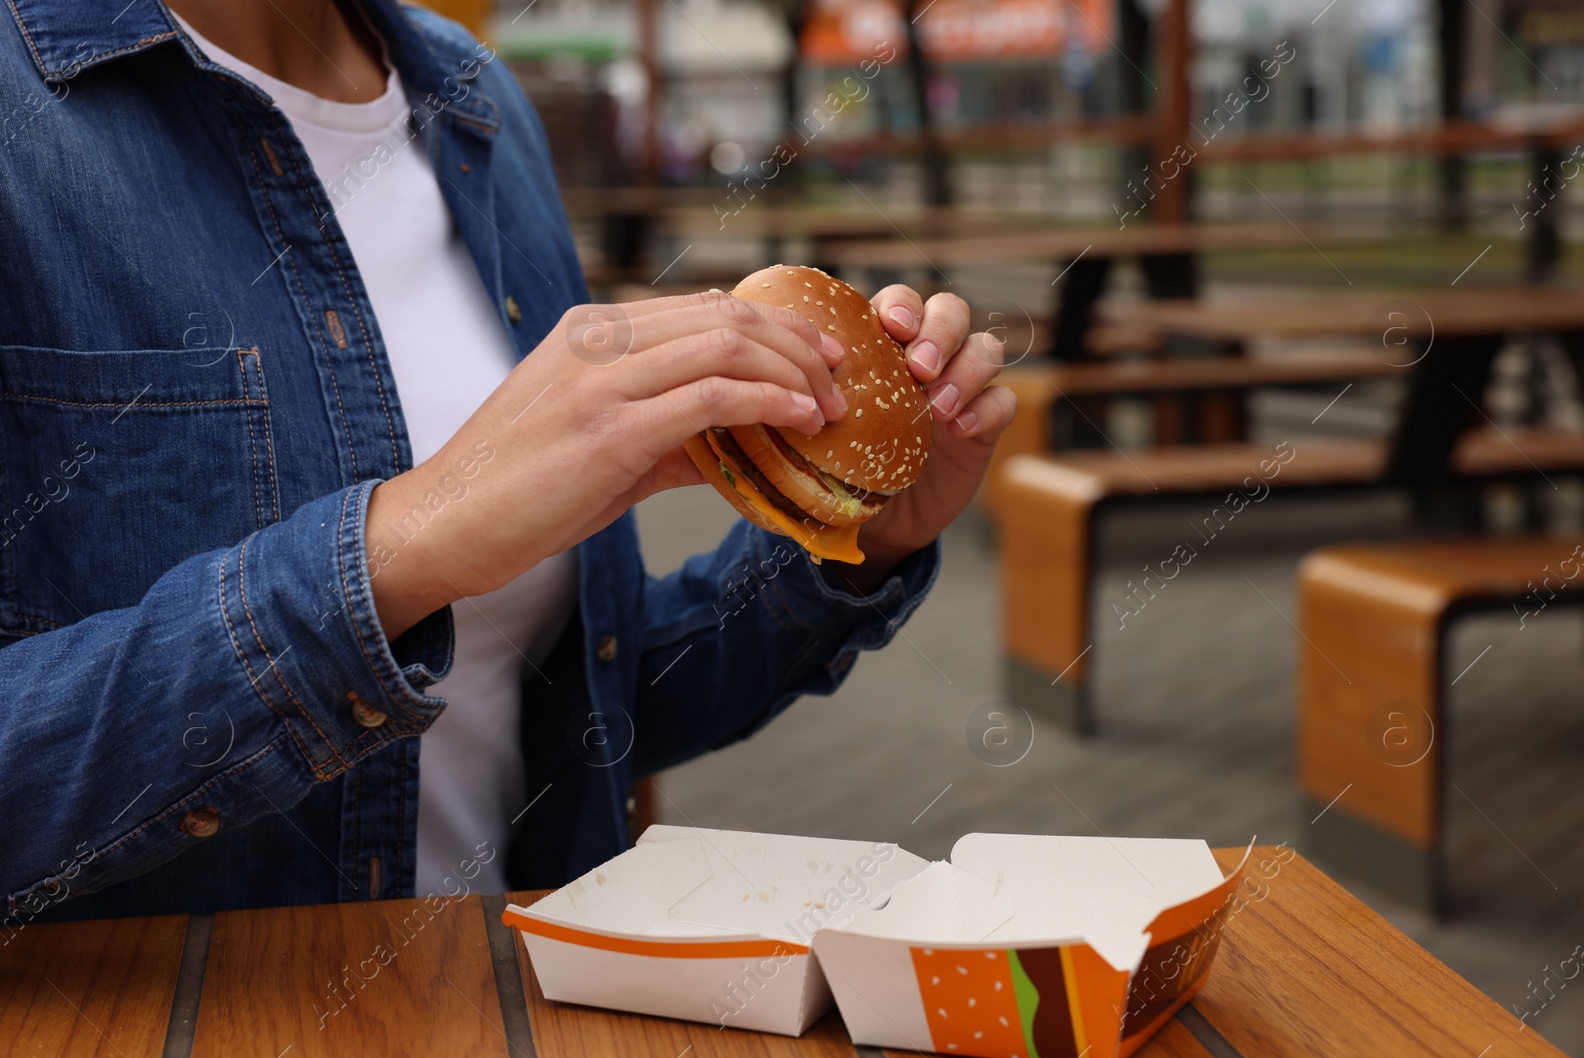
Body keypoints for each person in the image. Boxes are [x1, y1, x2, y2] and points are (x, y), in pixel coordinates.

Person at [0, 0, 1015, 924]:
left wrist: (853, 545)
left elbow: (579, 701)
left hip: (512, 1008)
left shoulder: (475, 100)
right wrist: (392, 553)